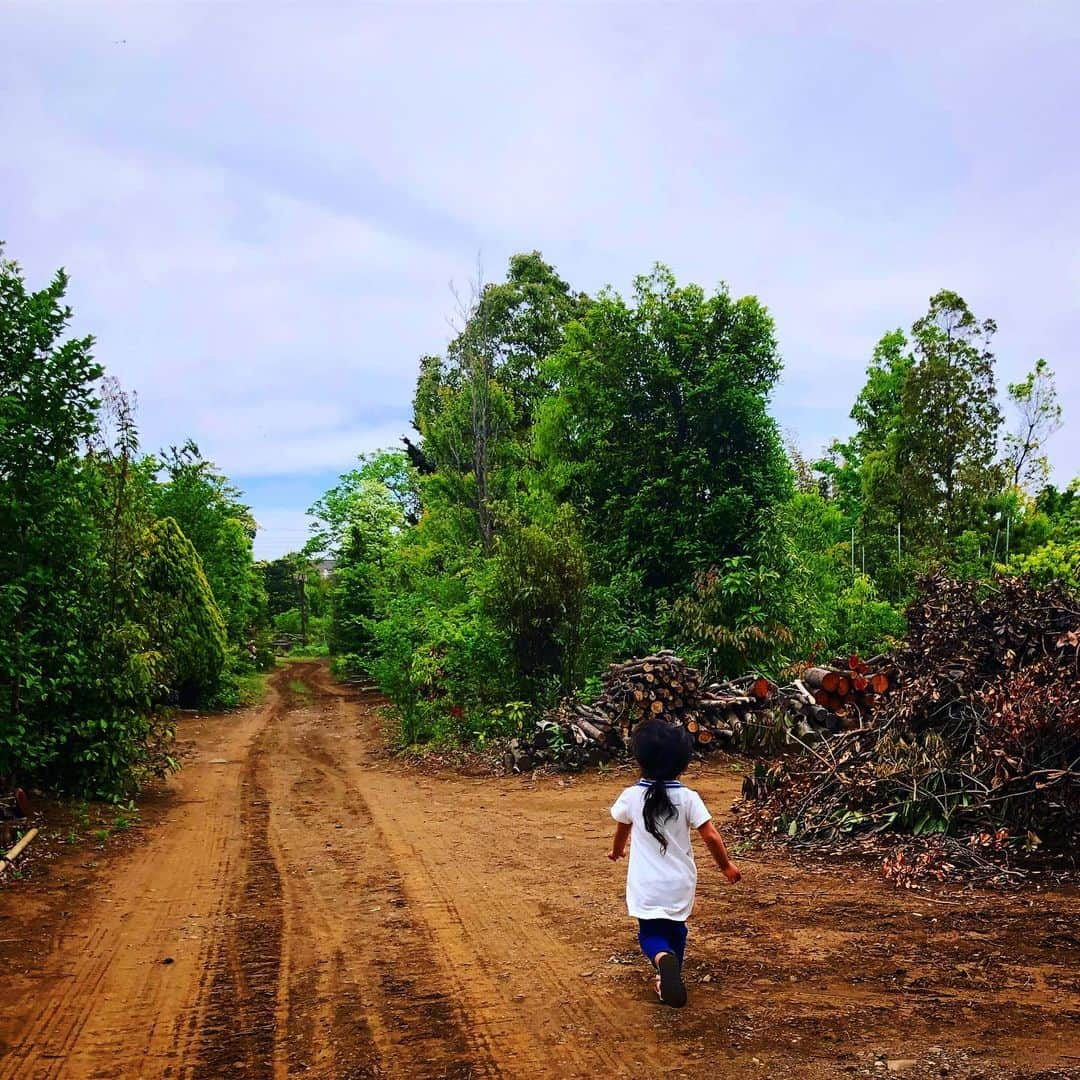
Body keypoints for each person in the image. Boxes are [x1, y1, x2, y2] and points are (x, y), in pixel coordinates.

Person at [608, 719, 741, 1007]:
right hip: (680, 882)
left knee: (651, 933)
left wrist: (617, 851)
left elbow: (622, 828)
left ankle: (662, 960)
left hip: (646, 883)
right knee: (677, 928)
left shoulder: (632, 796)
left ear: (639, 759)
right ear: (683, 763)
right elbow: (711, 836)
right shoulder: (688, 798)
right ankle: (670, 976)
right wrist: (726, 866)